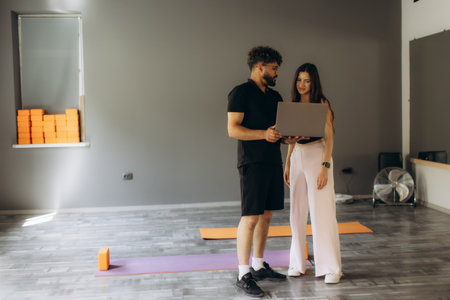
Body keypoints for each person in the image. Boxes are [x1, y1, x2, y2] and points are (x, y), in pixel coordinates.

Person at [227, 46, 297, 297]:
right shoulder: (240, 93)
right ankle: (243, 273)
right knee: (251, 217)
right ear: (260, 67)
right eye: (274, 68)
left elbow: (276, 132)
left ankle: (257, 265)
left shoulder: (275, 97)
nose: (277, 72)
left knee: (266, 217)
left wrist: (285, 138)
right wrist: (263, 134)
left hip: (271, 161)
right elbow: (233, 129)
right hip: (251, 163)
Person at [283, 63, 342, 284]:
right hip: (298, 156)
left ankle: (331, 268)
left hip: (318, 156)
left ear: (313, 82)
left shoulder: (322, 103)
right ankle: (297, 263)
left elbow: (330, 136)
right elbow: (292, 139)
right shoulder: (294, 104)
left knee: (322, 212)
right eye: (299, 80)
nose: (301, 85)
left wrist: (325, 166)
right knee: (297, 213)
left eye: (306, 80)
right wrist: (288, 164)